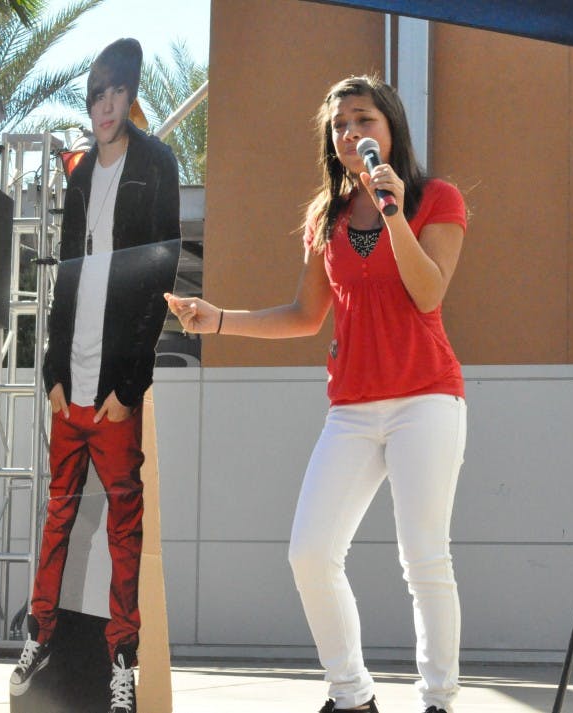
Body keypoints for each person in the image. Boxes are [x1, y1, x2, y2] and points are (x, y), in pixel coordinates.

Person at [166, 74, 467, 713]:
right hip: (353, 407)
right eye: (339, 126)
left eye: (363, 120)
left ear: (391, 129)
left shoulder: (434, 198)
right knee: (310, 551)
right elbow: (305, 316)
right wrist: (217, 318)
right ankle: (351, 695)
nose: (350, 134)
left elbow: (428, 291)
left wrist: (392, 212)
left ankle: (439, 700)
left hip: (427, 399)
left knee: (423, 558)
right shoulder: (325, 218)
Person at [9, 37, 181, 713]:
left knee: (122, 528)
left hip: (114, 392)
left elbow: (160, 275)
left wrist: (128, 386)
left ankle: (121, 662)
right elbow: (66, 275)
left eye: (115, 93)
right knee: (56, 517)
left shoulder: (157, 165)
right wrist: (54, 368)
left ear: (131, 94)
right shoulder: (81, 175)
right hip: (68, 388)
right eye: (96, 95)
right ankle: (40, 635)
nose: (105, 106)